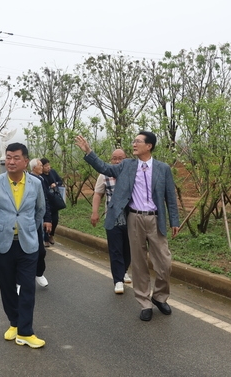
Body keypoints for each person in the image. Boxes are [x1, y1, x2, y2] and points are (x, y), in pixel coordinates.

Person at [75, 132, 180, 322]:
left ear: (149, 146)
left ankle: (159, 297)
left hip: (155, 219)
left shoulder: (163, 168)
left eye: (138, 141)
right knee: (139, 263)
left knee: (164, 263)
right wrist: (88, 151)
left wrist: (175, 221)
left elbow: (170, 198)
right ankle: (144, 302)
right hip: (134, 218)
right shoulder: (127, 165)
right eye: (134, 141)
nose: (134, 144)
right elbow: (105, 168)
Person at [0, 143, 46, 349]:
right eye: (8, 157)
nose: (11, 161)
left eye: (16, 158)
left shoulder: (35, 183)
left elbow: (40, 210)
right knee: (7, 286)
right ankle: (14, 323)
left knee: (27, 287)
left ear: (26, 161)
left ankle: (25, 331)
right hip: (3, 242)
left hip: (28, 243)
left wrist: (28, 228)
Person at [91, 149, 132, 294]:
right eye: (114, 158)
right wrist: (95, 212)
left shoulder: (131, 174)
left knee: (129, 248)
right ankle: (118, 280)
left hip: (131, 218)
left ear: (126, 159)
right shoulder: (104, 175)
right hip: (112, 217)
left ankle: (124, 270)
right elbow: (98, 194)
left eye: (120, 158)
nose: (117, 161)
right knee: (115, 249)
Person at [29, 158, 53, 287]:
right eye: (40, 165)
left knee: (41, 251)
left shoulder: (41, 179)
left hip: (38, 219)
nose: (42, 166)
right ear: (33, 167)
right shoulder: (30, 181)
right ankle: (21, 278)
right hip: (26, 220)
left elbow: (44, 203)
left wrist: (47, 218)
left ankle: (39, 273)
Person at [40, 158, 63, 245]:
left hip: (54, 199)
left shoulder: (53, 172)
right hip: (46, 200)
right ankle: (46, 239)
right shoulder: (41, 176)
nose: (48, 167)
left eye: (48, 165)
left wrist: (55, 184)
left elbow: (60, 181)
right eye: (46, 166)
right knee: (46, 219)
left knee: (55, 219)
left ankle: (51, 235)